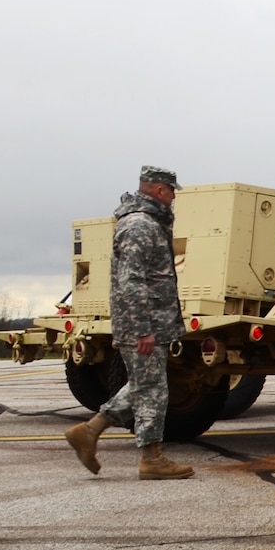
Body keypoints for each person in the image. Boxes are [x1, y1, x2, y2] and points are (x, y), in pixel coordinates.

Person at [64, 167, 193, 479]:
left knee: (145, 386)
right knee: (153, 390)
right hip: (142, 325)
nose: (175, 197)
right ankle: (152, 458)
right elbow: (130, 281)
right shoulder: (138, 225)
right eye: (172, 191)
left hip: (152, 322)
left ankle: (90, 431)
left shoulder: (149, 223)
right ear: (160, 190)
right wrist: (142, 328)